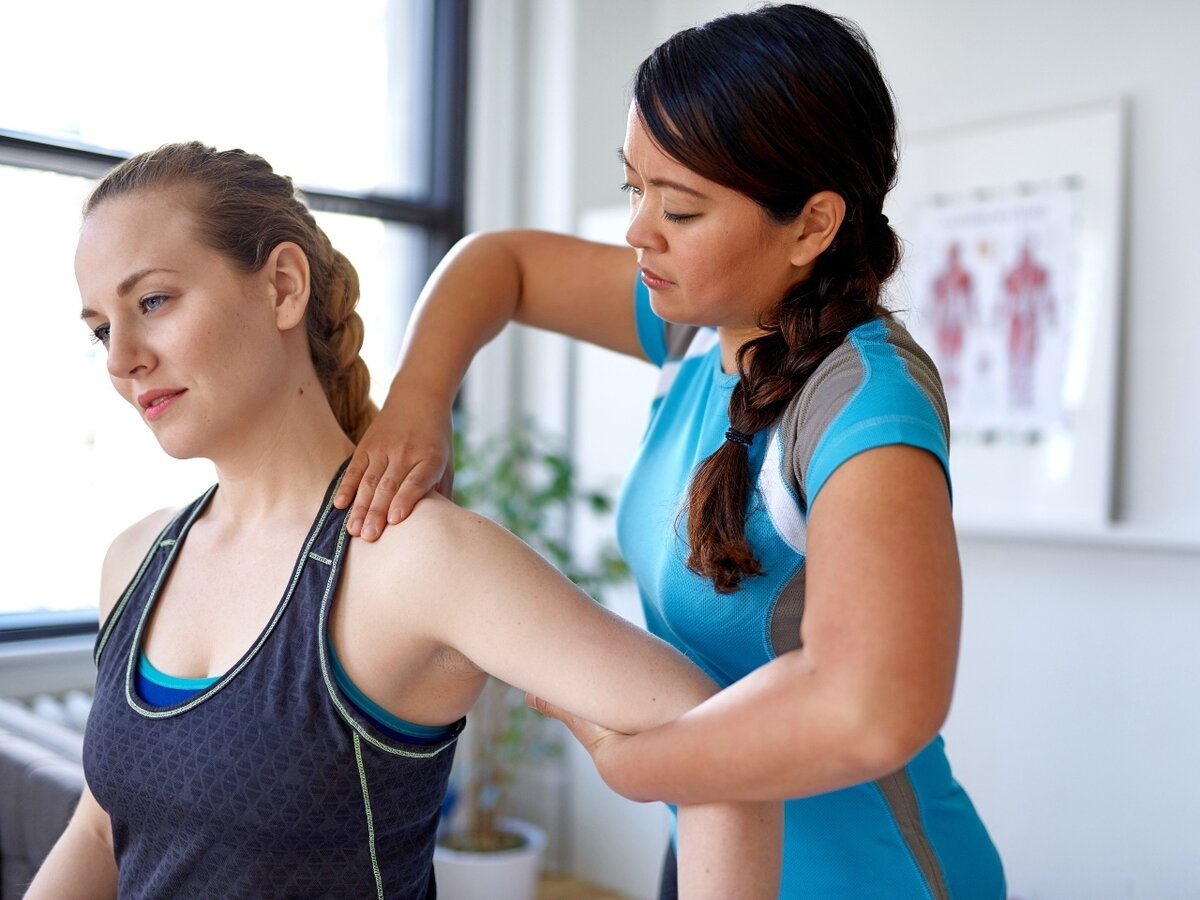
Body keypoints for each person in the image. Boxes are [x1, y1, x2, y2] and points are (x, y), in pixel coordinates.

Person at [334, 4, 1006, 897]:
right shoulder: (703, 329)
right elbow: (501, 265)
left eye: (680, 208)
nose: (637, 231)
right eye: (634, 189)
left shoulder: (863, 403)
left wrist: (632, 767)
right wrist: (418, 398)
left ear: (812, 225)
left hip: (870, 877)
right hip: (711, 848)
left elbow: (876, 707)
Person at [26, 142, 782, 900]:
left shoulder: (410, 557)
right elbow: (102, 828)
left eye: (152, 302)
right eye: (100, 330)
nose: (121, 358)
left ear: (283, 287)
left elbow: (728, 753)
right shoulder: (134, 561)